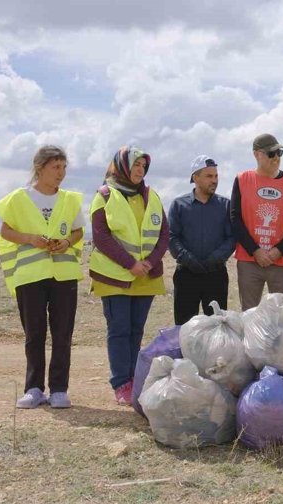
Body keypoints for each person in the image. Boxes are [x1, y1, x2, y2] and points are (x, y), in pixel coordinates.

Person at [0, 145, 84, 409]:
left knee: (62, 333)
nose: (61, 173)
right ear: (39, 168)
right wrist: (30, 239)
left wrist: (66, 242)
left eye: (64, 167)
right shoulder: (20, 198)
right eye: (56, 167)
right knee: (34, 334)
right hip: (30, 276)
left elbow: (78, 231)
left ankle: (59, 390)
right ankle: (33, 389)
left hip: (64, 276)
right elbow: (5, 231)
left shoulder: (69, 200)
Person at [89, 146, 170, 406]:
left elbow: (164, 233)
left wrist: (150, 262)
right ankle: (121, 382)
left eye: (144, 166)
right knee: (119, 330)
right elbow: (101, 237)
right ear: (122, 165)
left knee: (136, 330)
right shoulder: (104, 195)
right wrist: (130, 264)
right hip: (114, 276)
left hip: (145, 276)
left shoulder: (151, 196)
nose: (140, 170)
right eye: (136, 164)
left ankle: (135, 379)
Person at [230, 134, 283, 310]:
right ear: (257, 154)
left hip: (281, 260)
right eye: (271, 153)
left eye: (279, 153)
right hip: (249, 260)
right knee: (249, 313)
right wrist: (255, 250)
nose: (276, 157)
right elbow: (235, 217)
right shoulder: (242, 180)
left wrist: (279, 250)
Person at [168, 155, 235, 325]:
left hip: (216, 275)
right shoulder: (179, 205)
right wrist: (188, 259)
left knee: (217, 327)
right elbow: (171, 236)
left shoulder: (226, 206)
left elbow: (232, 237)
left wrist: (216, 258)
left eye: (216, 176)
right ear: (195, 178)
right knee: (184, 327)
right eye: (209, 176)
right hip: (186, 275)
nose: (214, 180)